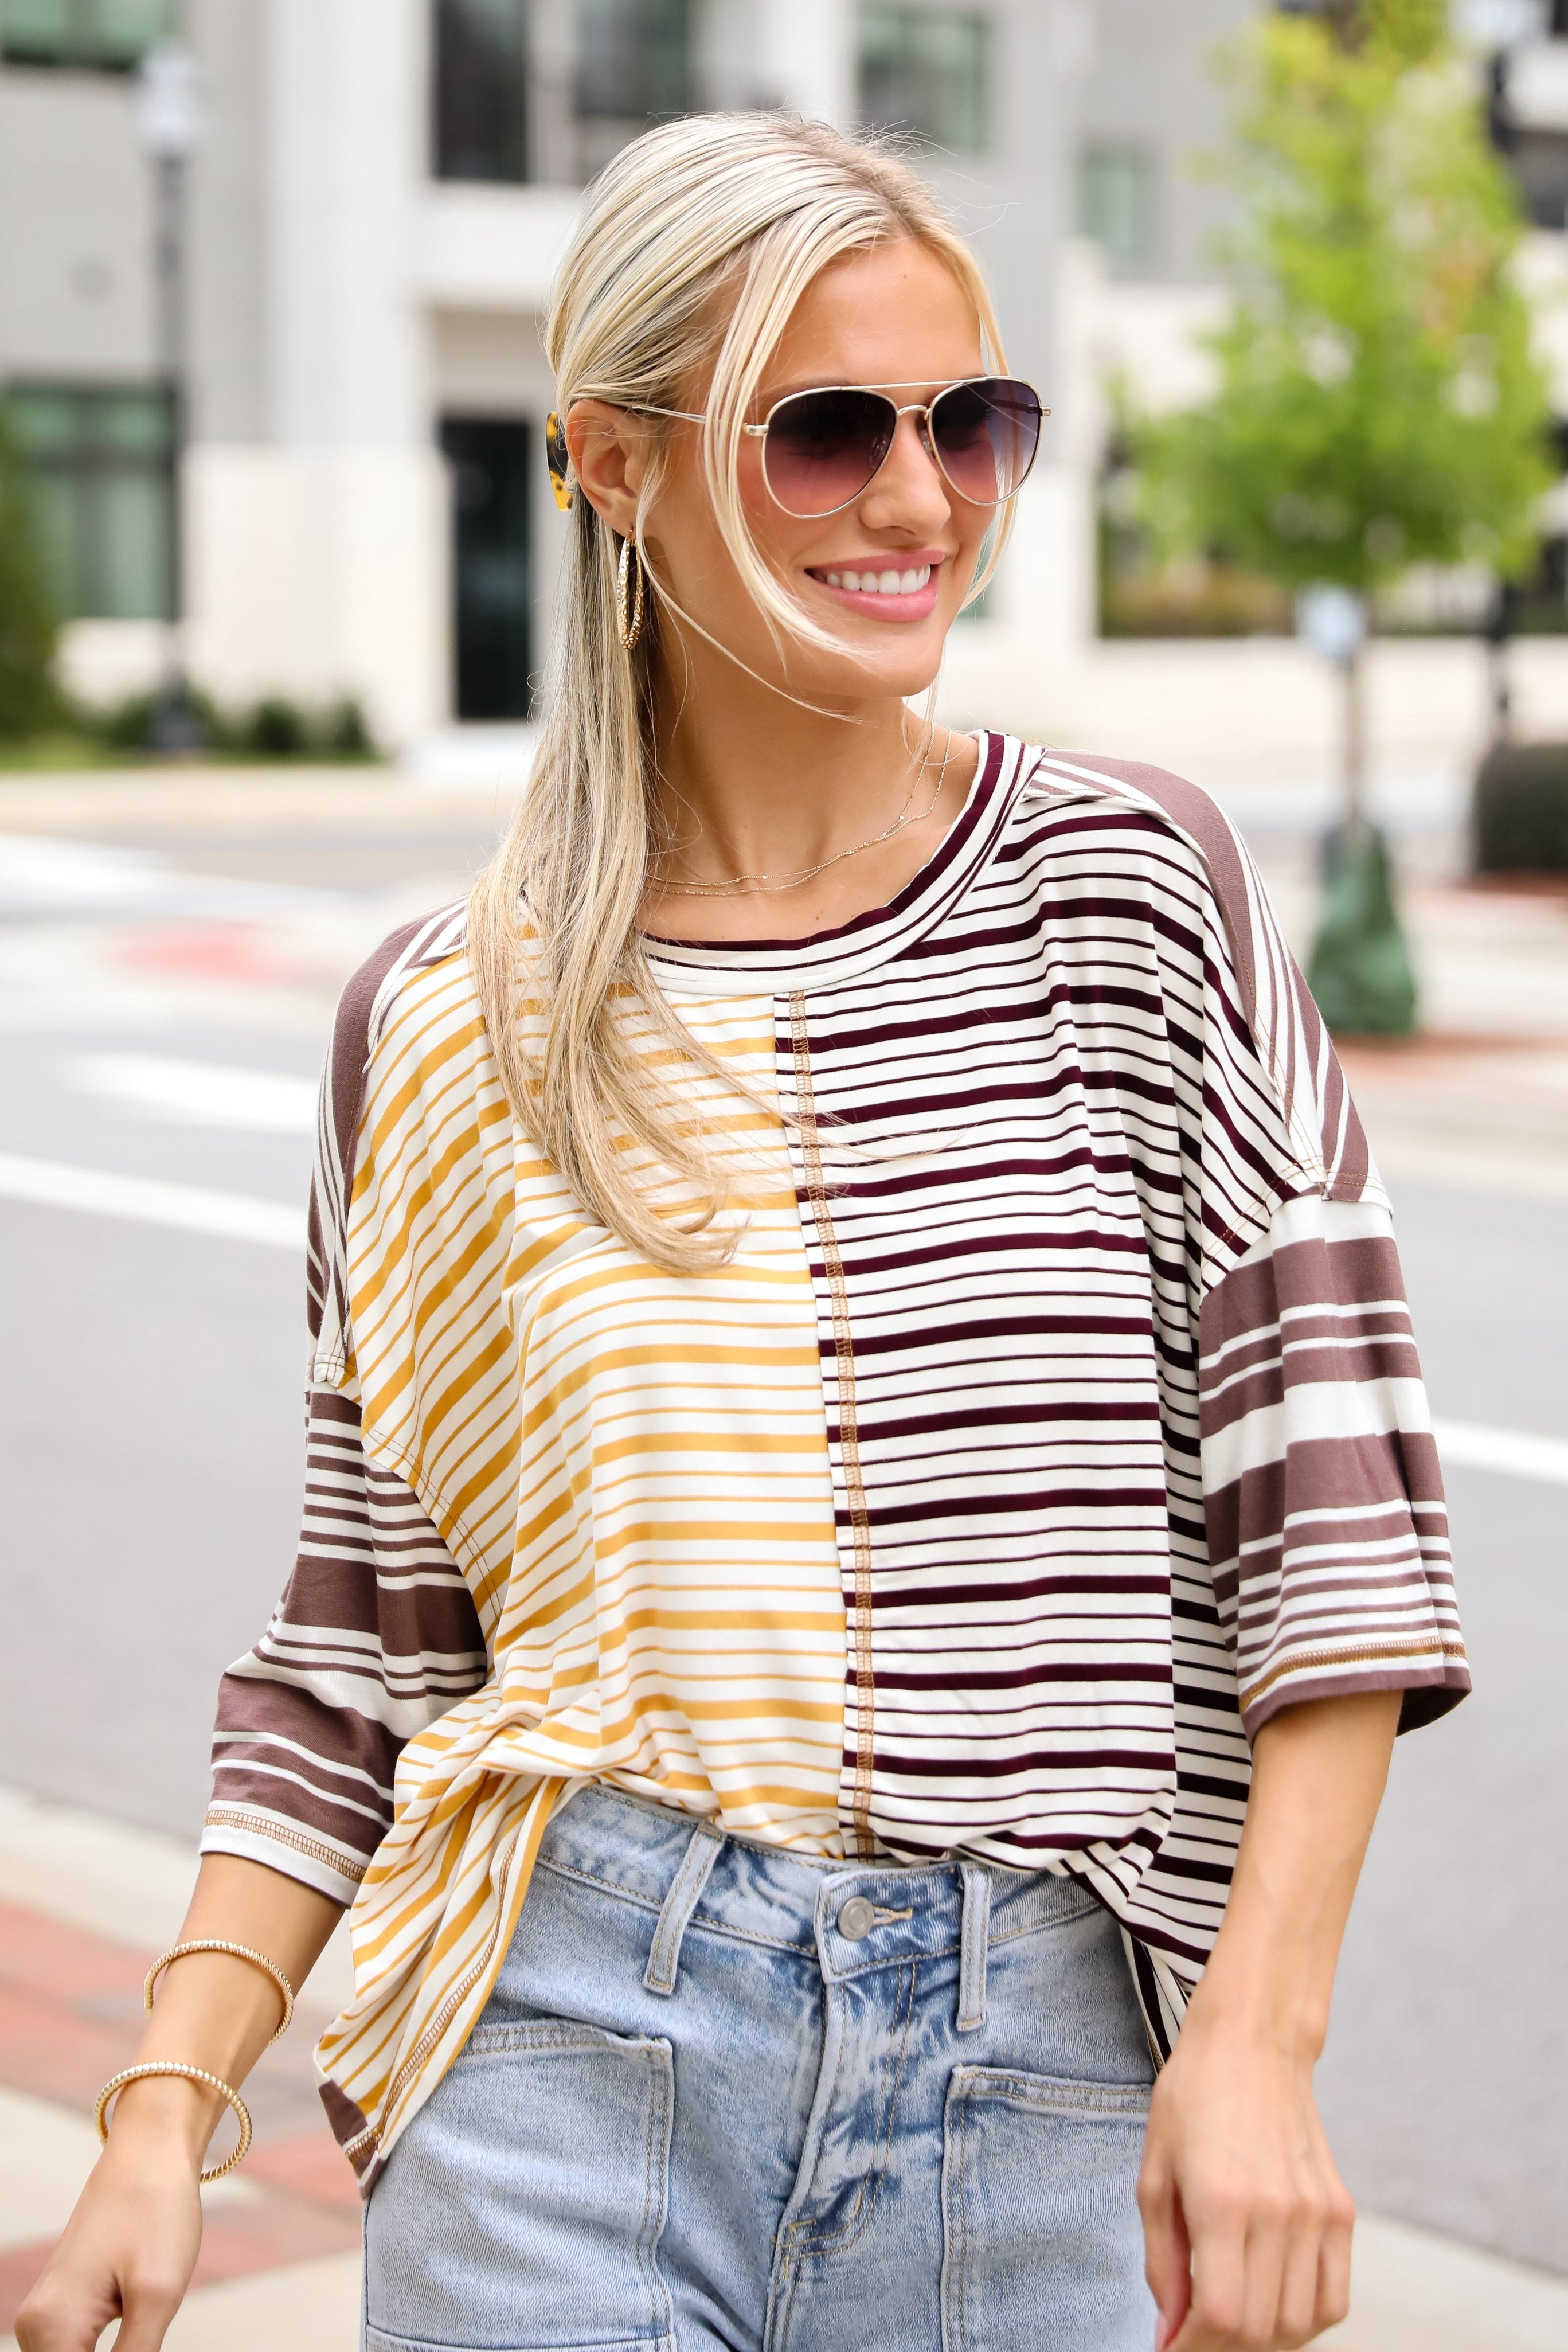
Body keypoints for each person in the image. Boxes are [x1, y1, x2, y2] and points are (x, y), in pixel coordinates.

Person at [20, 113, 1467, 2352]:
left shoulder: (1137, 892)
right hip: (559, 2052)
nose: (923, 498)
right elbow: (359, 1658)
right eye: (825, 434)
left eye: (974, 421)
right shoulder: (438, 1021)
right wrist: (159, 2105)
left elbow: (1341, 1524)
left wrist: (1257, 2049)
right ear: (612, 464)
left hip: (1048, 2074)